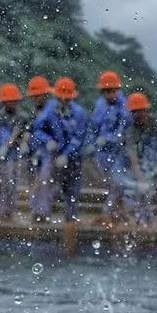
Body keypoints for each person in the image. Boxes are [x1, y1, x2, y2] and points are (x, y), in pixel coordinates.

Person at [122, 92, 157, 225]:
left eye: (141, 111)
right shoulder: (130, 131)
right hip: (142, 170)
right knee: (139, 195)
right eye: (135, 112)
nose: (139, 115)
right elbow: (133, 157)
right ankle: (142, 224)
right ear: (132, 113)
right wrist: (141, 178)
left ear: (146, 110)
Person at [85, 70, 131, 214]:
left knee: (118, 181)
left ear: (117, 90)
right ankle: (118, 212)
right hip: (102, 153)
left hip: (119, 152)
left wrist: (109, 139)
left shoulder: (124, 106)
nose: (110, 95)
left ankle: (110, 212)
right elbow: (93, 127)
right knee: (110, 182)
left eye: (112, 91)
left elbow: (124, 130)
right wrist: (91, 144)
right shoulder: (99, 105)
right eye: (107, 91)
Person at [24, 76, 64, 221]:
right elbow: (30, 130)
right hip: (34, 153)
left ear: (45, 94)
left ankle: (43, 213)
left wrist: (54, 146)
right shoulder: (33, 111)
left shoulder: (52, 109)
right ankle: (36, 211)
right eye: (33, 96)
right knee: (34, 181)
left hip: (49, 153)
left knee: (44, 182)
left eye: (38, 96)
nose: (36, 99)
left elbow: (59, 133)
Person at [0, 83, 25, 221]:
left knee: (10, 183)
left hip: (12, 156)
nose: (10, 103)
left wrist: (6, 147)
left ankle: (8, 212)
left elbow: (16, 132)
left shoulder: (21, 117)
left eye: (12, 101)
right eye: (8, 101)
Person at [51, 77, 87, 222]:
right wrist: (48, 141)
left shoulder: (79, 113)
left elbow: (78, 138)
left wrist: (66, 154)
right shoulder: (51, 110)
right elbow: (40, 127)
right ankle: (43, 215)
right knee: (52, 185)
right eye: (60, 98)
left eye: (66, 98)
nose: (63, 100)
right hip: (54, 155)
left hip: (73, 158)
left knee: (72, 187)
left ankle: (70, 216)